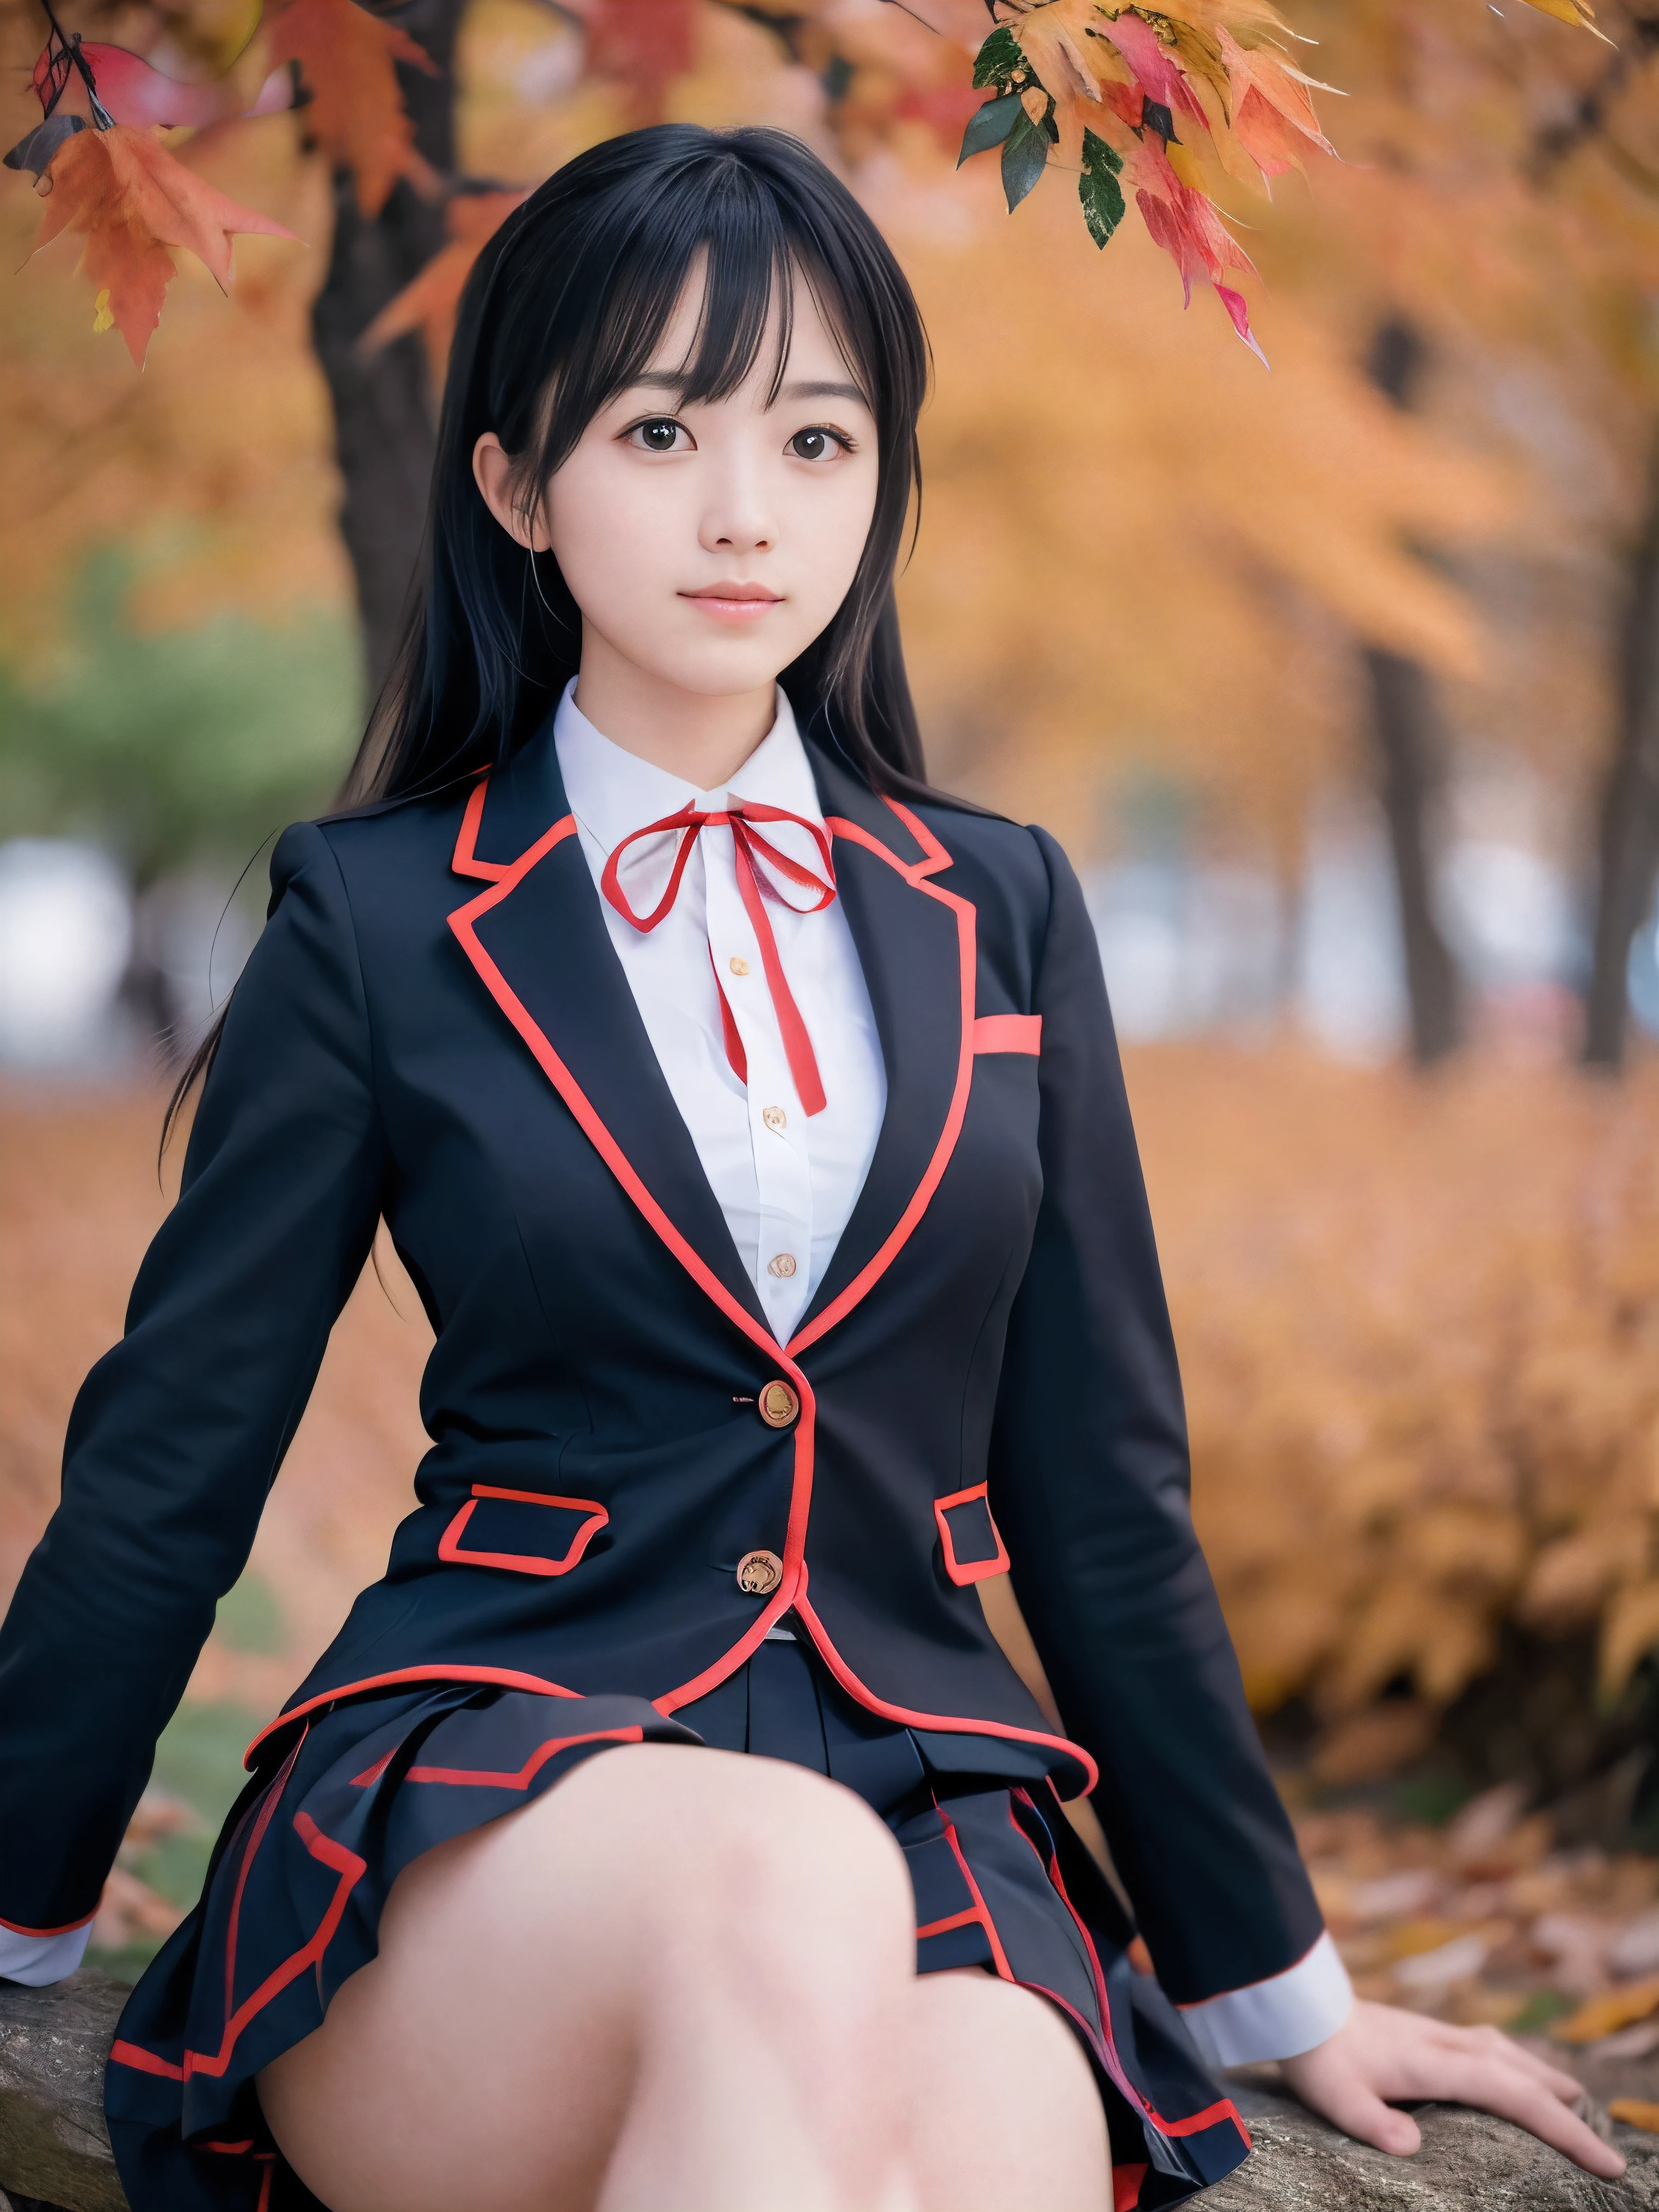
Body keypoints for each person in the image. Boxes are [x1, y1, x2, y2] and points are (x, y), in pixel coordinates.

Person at [0, 125, 1623, 2212]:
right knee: (783, 1882)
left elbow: (1097, 1490)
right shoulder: (384, 920)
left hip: (933, 1797)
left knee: (975, 2117)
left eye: (822, 441)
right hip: (504, 1783)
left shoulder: (1004, 908)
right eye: (662, 428)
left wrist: (1270, 1979)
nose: (747, 513)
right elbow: (175, 1454)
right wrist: (19, 1906)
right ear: (515, 484)